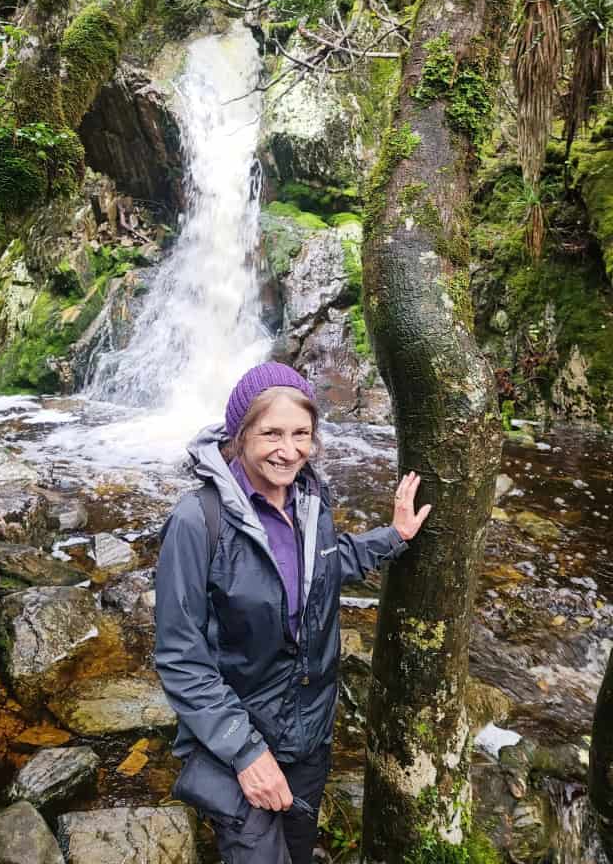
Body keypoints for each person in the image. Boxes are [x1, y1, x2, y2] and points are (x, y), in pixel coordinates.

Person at [155, 362, 431, 864]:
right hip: (237, 739)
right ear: (240, 435)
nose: (289, 450)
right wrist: (247, 754)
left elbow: (324, 566)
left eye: (301, 433)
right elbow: (179, 657)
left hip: (308, 733)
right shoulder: (197, 520)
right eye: (272, 434)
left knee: (299, 852)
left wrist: (394, 537)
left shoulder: (310, 497)